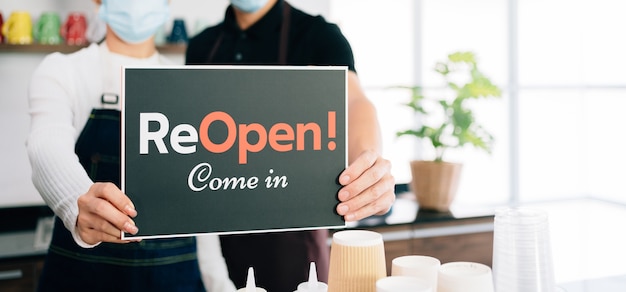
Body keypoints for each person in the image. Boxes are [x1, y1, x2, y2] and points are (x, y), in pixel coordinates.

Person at [185, 0, 396, 291]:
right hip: (215, 241)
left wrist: (367, 162)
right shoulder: (201, 46)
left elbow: (353, 101)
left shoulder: (318, 35)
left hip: (291, 245)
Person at [27, 0, 235, 291]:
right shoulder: (63, 71)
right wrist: (77, 201)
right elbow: (46, 147)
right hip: (81, 276)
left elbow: (201, 210)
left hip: (178, 278)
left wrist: (221, 285)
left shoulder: (189, 85)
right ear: (99, 2)